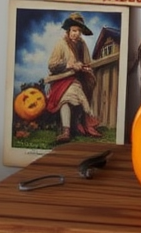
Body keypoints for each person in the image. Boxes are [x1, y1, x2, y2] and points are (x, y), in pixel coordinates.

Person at [44, 14, 103, 143]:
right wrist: (68, 65)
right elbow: (52, 65)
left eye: (79, 31)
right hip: (63, 79)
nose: (76, 34)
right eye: (74, 30)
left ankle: (81, 126)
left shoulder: (82, 45)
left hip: (80, 79)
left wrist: (86, 68)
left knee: (79, 95)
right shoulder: (61, 44)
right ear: (68, 30)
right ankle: (66, 132)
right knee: (67, 97)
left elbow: (87, 62)